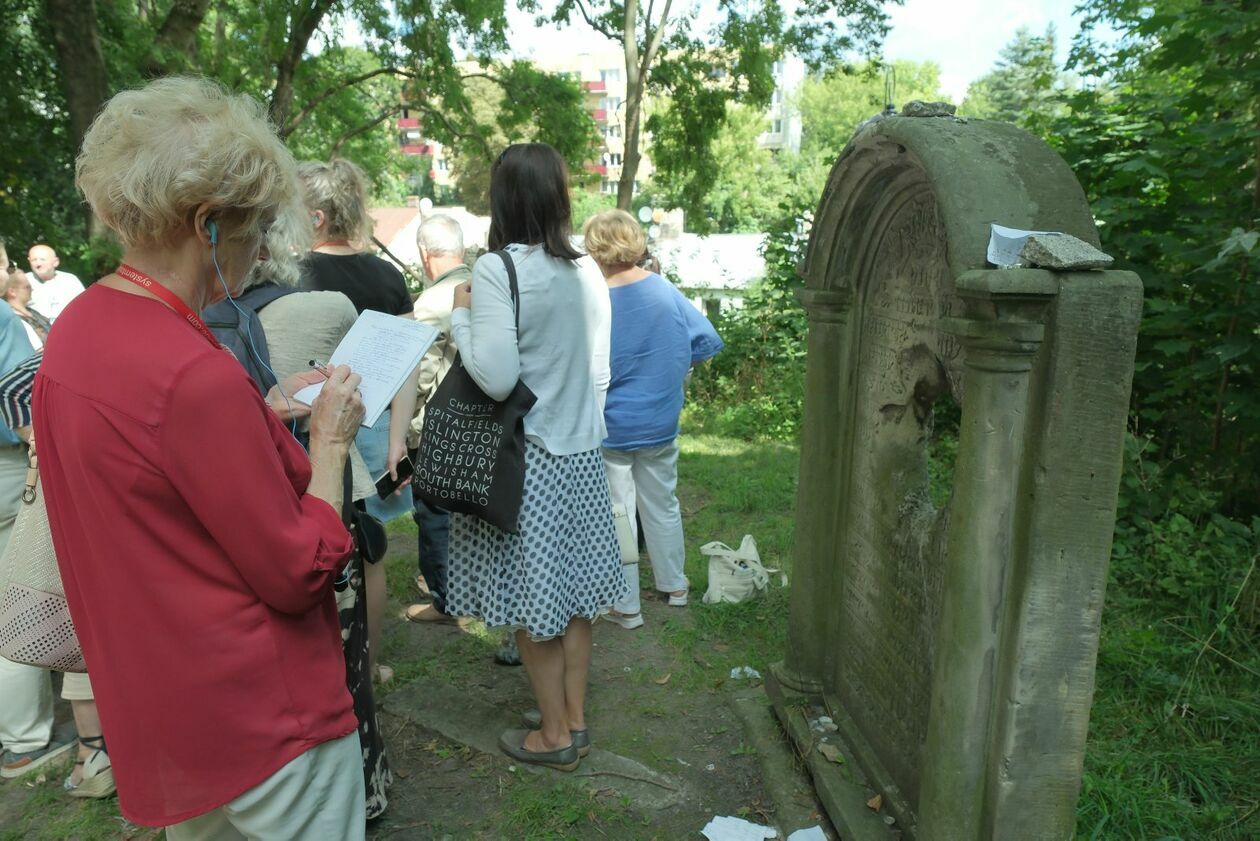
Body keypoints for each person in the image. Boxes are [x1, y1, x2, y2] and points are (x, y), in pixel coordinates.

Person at [34, 77, 367, 839]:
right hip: (262, 715)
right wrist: (330, 443)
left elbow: (150, 483)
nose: (259, 250)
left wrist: (259, 410)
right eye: (255, 228)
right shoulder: (193, 371)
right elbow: (296, 569)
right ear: (209, 223)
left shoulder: (79, 328)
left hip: (164, 706)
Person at [441, 143, 625, 771]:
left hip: (532, 458)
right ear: (559, 196)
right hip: (582, 452)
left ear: (503, 198)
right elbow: (600, 367)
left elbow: (494, 378)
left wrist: (459, 318)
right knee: (573, 600)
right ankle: (572, 718)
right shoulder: (587, 270)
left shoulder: (501, 269)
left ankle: (552, 735)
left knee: (532, 603)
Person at [211, 216, 393, 820]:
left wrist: (268, 404)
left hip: (241, 500)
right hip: (311, 480)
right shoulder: (326, 304)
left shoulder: (191, 324)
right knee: (339, 628)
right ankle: (358, 784)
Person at [298, 158, 420, 684]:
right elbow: (408, 364)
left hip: (310, 430)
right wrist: (399, 442)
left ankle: (325, 667)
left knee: (314, 549)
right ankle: (367, 668)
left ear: (318, 216)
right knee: (369, 551)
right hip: (371, 434)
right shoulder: (386, 274)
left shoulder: (292, 274)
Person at [581, 209, 723, 629]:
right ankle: (675, 586)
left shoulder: (592, 299)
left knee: (618, 512)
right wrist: (669, 367)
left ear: (594, 248)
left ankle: (626, 603)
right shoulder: (663, 290)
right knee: (662, 503)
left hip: (611, 428)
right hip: (660, 421)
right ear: (636, 243)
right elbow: (706, 340)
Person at [0, 349, 114, 798]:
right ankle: (75, 750)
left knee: (66, 609)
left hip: (50, 485)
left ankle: (90, 756)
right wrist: (40, 438)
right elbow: (11, 388)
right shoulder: (87, 337)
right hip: (49, 488)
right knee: (67, 610)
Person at [0, 238, 74, 782]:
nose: (11, 271)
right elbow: (15, 397)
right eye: (5, 264)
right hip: (7, 471)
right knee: (19, 594)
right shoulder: (4, 318)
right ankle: (23, 740)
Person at [404, 214, 466, 624]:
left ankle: (445, 599)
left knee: (435, 512)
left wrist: (404, 422)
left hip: (440, 425)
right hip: (486, 418)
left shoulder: (430, 302)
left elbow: (421, 372)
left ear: (425, 255)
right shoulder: (486, 284)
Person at [26, 244, 84, 321]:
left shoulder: (70, 280)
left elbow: (85, 307)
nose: (38, 264)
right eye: (34, 260)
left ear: (55, 262)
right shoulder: (23, 281)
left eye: (42, 259)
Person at [4, 268, 52, 348]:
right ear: (11, 291)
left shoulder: (32, 312)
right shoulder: (13, 321)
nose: (32, 289)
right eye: (27, 287)